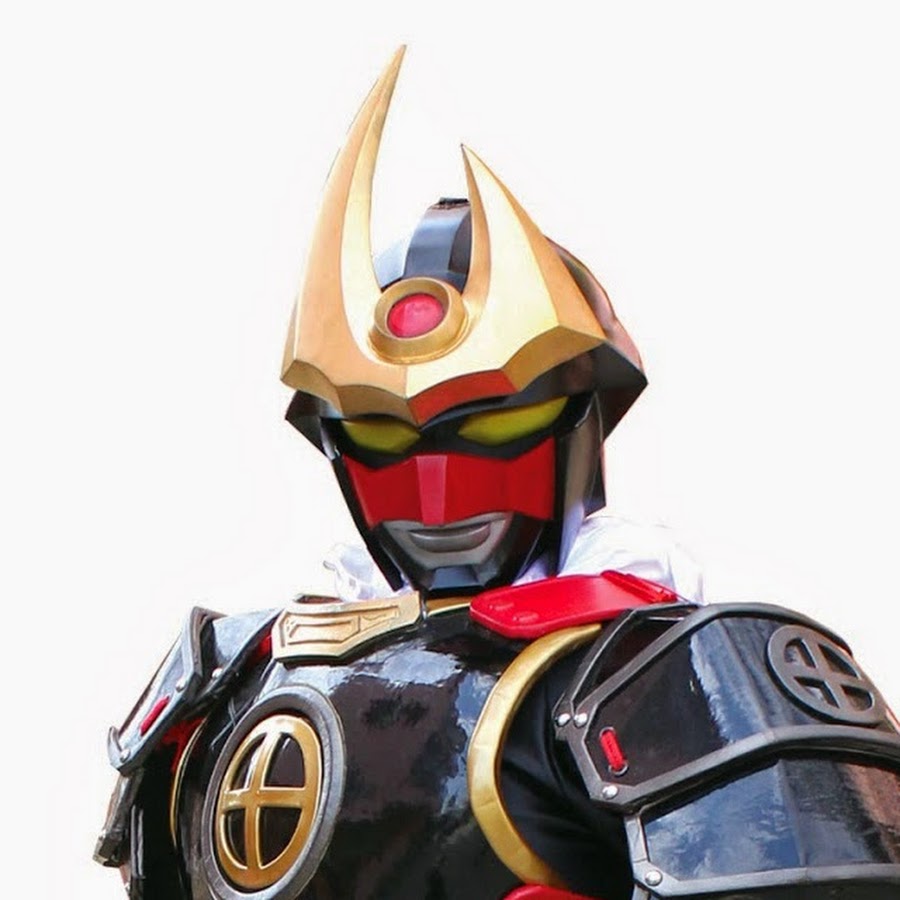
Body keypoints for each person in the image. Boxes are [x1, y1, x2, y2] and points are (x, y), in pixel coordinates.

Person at [94, 48, 900, 900]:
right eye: (379, 432)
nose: (436, 493)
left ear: (581, 419)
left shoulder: (671, 683)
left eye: (492, 426)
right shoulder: (226, 680)